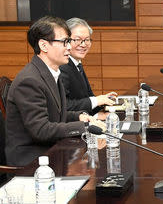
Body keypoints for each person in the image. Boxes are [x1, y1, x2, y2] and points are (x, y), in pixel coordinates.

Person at [5, 16, 101, 166]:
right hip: (31, 160)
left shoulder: (51, 73)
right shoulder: (29, 80)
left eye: (69, 41)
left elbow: (55, 114)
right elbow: (41, 130)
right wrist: (85, 127)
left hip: (52, 151)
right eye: (64, 42)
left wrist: (81, 116)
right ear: (43, 45)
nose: (69, 47)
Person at [60, 18, 116, 115]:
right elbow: (63, 106)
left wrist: (103, 101)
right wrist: (96, 101)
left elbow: (87, 99)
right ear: (66, 40)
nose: (83, 44)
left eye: (87, 40)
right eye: (77, 40)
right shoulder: (62, 66)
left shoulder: (77, 63)